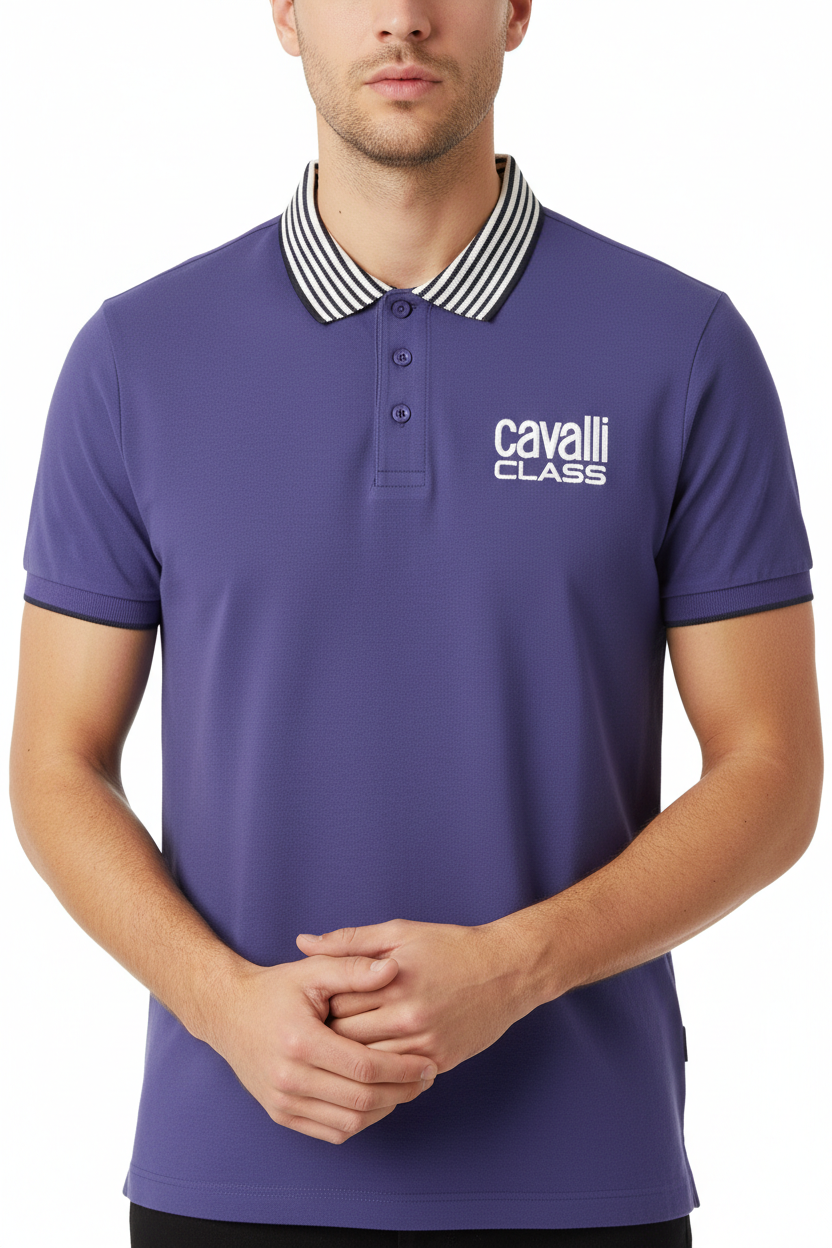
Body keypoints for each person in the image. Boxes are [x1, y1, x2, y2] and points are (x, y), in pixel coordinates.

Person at [9, 1, 822, 1245]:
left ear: (515, 12)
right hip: (226, 1174)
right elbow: (53, 763)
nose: (401, 18)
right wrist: (221, 1003)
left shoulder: (683, 348)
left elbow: (771, 769)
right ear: (286, 13)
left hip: (582, 1180)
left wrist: (515, 967)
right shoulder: (135, 358)